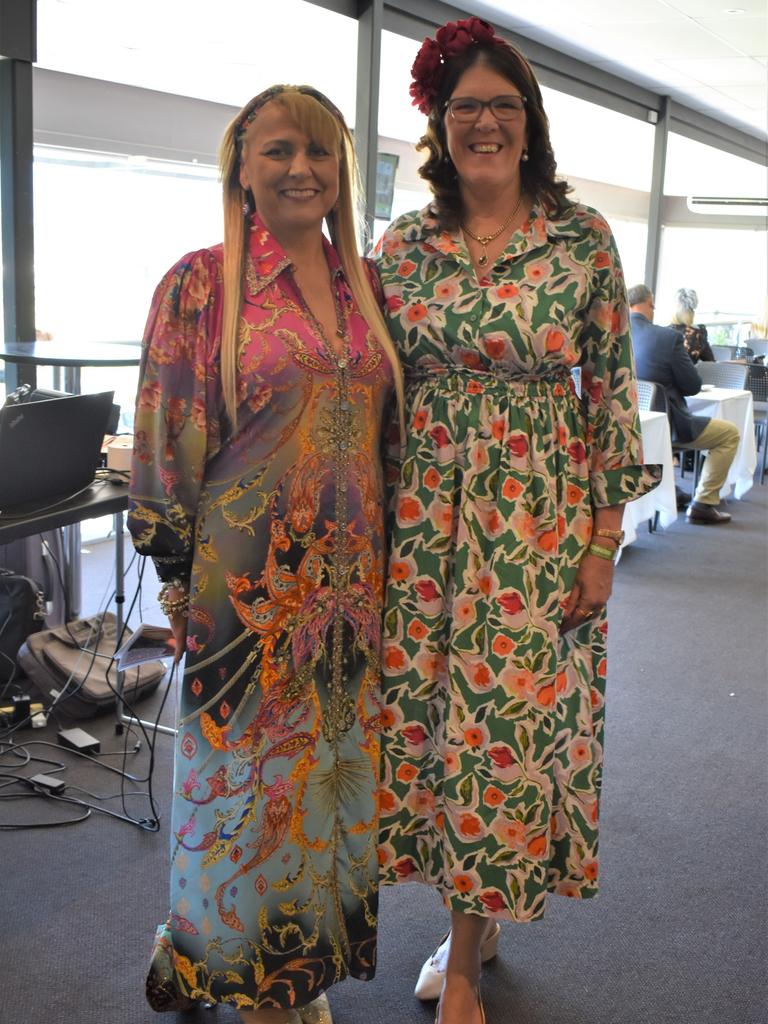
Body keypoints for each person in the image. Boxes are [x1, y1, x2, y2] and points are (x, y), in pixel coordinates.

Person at [373, 18, 659, 1024]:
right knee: (424, 727)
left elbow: (613, 395)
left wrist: (602, 538)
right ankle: (466, 922)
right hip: (418, 522)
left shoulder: (583, 240)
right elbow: (362, 384)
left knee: (498, 732)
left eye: (503, 105)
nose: (484, 122)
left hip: (534, 524)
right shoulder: (402, 246)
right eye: (466, 108)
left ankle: (460, 959)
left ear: (529, 122)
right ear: (439, 125)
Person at [128, 84, 403, 1024]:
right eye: (279, 150)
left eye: (320, 152)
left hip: (350, 594)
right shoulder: (202, 284)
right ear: (241, 166)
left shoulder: (368, 290)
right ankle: (244, 979)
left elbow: (389, 444)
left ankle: (282, 966)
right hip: (245, 591)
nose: (301, 169)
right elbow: (169, 440)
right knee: (236, 791)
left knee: (327, 786)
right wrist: (172, 581)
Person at [629, 284, 739, 525]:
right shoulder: (667, 338)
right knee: (729, 434)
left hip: (624, 427)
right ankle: (703, 503)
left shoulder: (612, 335)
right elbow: (692, 386)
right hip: (666, 426)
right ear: (649, 304)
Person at [668, 287, 714, 363]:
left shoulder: (663, 332)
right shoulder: (698, 334)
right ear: (692, 311)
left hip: (661, 374)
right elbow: (710, 361)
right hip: (687, 374)